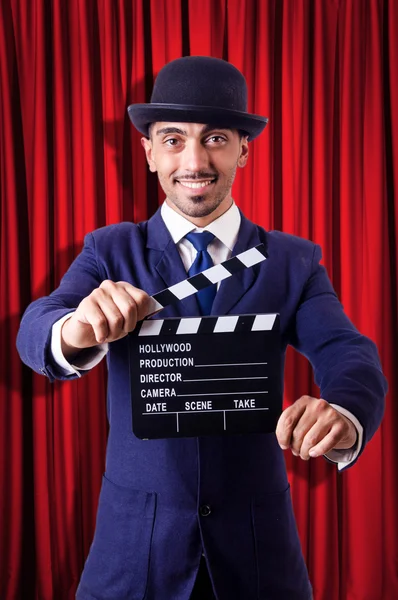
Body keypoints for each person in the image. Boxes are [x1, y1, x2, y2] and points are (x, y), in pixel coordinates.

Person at [17, 56, 387, 600]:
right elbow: (37, 327)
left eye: (214, 138)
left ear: (243, 148)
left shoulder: (291, 261)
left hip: (258, 555)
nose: (194, 160)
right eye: (172, 139)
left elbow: (348, 352)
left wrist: (345, 414)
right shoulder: (109, 250)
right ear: (147, 152)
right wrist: (74, 329)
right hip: (134, 550)